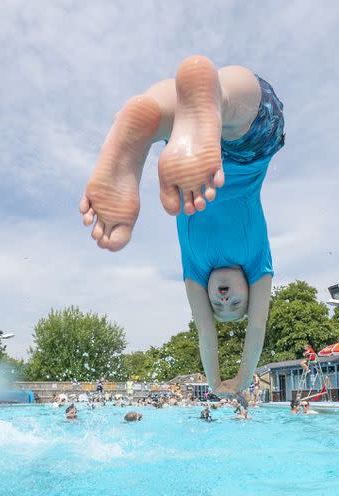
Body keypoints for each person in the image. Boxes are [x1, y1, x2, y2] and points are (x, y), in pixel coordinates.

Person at [80, 56, 284, 398]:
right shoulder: (258, 265)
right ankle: (213, 95)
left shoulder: (195, 270)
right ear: (251, 289)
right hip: (247, 150)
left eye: (218, 306)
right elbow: (258, 326)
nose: (223, 302)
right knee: (249, 104)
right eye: (236, 304)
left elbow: (205, 332)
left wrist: (215, 381)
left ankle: (144, 121)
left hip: (192, 147)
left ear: (204, 295)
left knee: (164, 111)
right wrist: (242, 379)